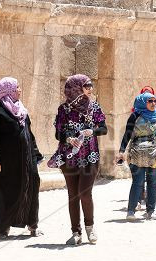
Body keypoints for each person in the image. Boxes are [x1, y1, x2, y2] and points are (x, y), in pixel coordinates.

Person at [49, 74, 107, 245]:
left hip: (90, 157)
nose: (90, 89)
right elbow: (58, 133)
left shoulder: (94, 107)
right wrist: (68, 138)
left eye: (91, 85)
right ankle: (76, 232)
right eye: (86, 86)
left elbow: (103, 129)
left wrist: (92, 132)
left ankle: (90, 228)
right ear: (75, 88)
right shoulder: (64, 110)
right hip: (69, 158)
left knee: (85, 193)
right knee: (73, 195)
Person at [0, 77, 43, 238]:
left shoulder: (22, 110)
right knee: (5, 192)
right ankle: (2, 227)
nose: (20, 90)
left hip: (26, 160)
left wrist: (36, 154)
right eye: (17, 87)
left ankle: (32, 224)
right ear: (8, 91)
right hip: (5, 162)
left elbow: (29, 134)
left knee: (32, 186)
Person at [116, 92, 156, 220]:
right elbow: (127, 134)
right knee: (138, 182)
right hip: (137, 154)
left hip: (154, 154)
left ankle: (151, 211)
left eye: (154, 101)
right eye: (150, 101)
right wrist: (121, 151)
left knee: (152, 183)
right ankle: (131, 211)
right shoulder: (135, 116)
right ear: (143, 103)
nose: (154, 104)